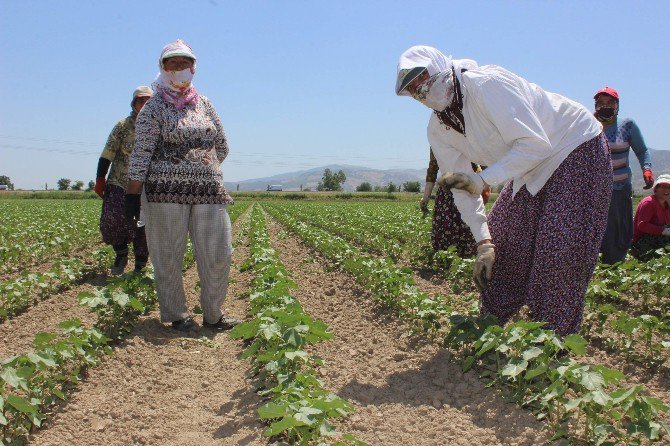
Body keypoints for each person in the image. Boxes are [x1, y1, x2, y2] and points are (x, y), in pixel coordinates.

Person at [396, 45, 611, 336]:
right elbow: (461, 187)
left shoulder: (486, 85)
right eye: (413, 88)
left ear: (440, 67)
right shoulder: (438, 129)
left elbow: (535, 144)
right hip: (526, 167)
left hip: (572, 147)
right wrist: (483, 242)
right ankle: (490, 328)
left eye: (423, 78)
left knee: (559, 248)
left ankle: (550, 343)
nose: (422, 90)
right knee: (504, 241)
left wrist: (485, 181)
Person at [125, 39, 239, 332]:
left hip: (209, 193)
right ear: (162, 68)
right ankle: (177, 315)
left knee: (218, 254)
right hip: (164, 194)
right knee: (168, 255)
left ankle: (214, 315)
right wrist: (133, 196)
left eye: (184, 63)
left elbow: (222, 145)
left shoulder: (205, 103)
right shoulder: (153, 108)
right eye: (171, 63)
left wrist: (203, 167)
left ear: (193, 67)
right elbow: (141, 154)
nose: (178, 69)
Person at [95, 86, 153, 275]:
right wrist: (100, 178)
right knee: (112, 219)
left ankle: (140, 266)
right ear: (134, 103)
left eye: (148, 101)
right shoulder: (123, 126)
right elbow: (107, 153)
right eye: (140, 100)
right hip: (120, 182)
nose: (144, 104)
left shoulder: (157, 126)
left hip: (146, 186)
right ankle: (120, 254)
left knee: (142, 226)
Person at [594, 86, 654, 264]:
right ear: (595, 105)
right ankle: (596, 263)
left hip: (620, 187)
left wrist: (647, 169)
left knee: (620, 227)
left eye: (610, 103)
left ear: (617, 105)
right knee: (598, 226)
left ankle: (616, 263)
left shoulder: (627, 126)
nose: (606, 106)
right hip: (595, 189)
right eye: (601, 103)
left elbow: (642, 151)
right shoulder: (588, 124)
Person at [421, 148, 490, 257]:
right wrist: (425, 198)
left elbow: (485, 166)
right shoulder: (438, 137)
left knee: (468, 225)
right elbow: (432, 169)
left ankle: (464, 260)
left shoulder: (469, 135)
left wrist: (482, 188)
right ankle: (446, 259)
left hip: (467, 189)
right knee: (447, 227)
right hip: (449, 192)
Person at [631, 174, 670, 260]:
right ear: (656, 189)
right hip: (642, 243)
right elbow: (642, 225)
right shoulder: (649, 203)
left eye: (669, 187)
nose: (666, 190)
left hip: (657, 239)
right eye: (663, 187)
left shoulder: (666, 205)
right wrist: (664, 231)